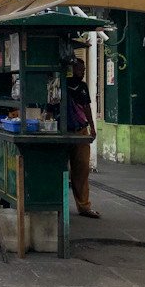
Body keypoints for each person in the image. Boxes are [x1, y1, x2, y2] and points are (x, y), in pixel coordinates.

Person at [67, 59, 100, 218]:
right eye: (80, 69)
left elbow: (87, 107)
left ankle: (84, 206)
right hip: (64, 131)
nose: (83, 72)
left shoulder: (83, 87)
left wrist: (92, 127)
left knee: (82, 168)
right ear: (71, 69)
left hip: (81, 130)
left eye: (84, 69)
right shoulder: (61, 83)